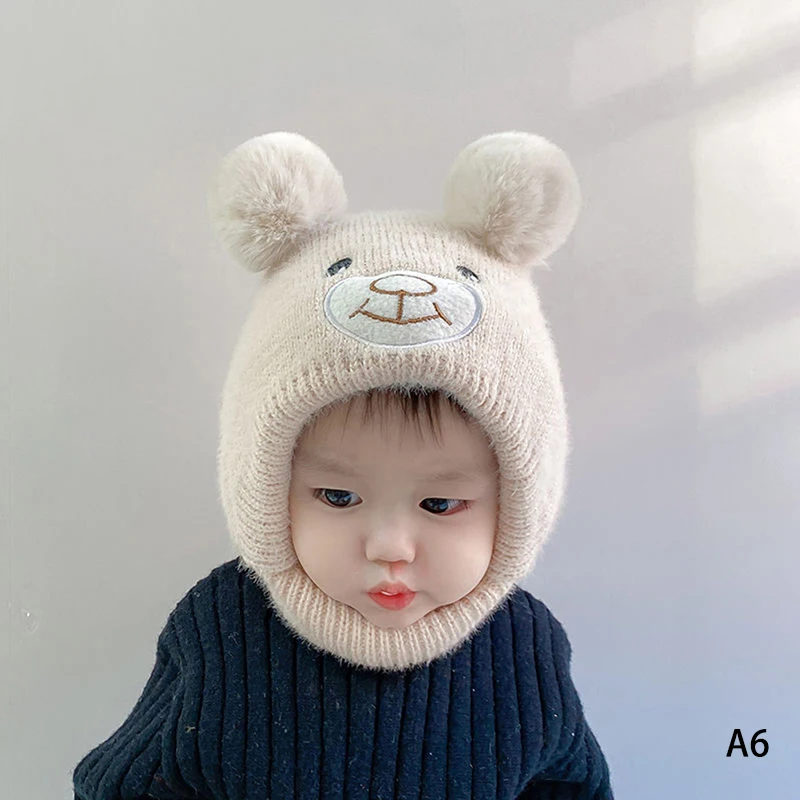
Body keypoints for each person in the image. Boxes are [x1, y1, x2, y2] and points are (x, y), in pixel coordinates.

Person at [72, 130, 614, 799]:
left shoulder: (524, 647)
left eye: (440, 504)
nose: (389, 546)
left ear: (521, 504)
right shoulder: (222, 625)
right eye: (336, 496)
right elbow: (131, 782)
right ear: (265, 488)